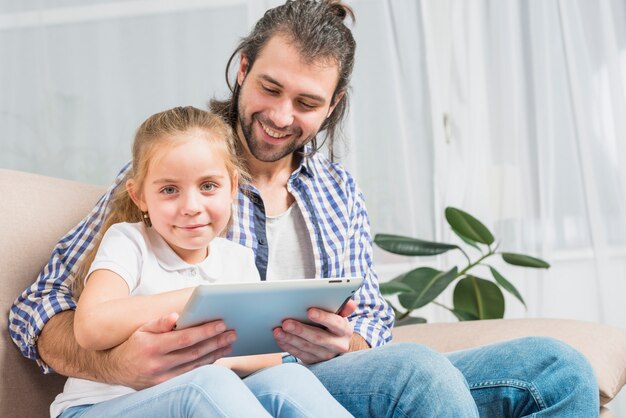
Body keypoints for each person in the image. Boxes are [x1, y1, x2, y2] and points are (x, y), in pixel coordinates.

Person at [10, 1, 599, 417]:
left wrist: (346, 345)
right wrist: (119, 367)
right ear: (243, 69)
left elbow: (373, 323)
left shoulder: (340, 192)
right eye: (269, 88)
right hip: (246, 389)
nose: (282, 115)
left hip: (326, 378)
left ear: (333, 104)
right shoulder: (179, 179)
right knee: (415, 373)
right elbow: (37, 310)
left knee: (559, 368)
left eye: (307, 101)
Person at [50, 106, 353, 418]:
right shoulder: (129, 242)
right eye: (169, 190)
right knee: (205, 383)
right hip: (97, 409)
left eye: (208, 186)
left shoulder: (237, 259)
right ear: (139, 196)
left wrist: (220, 358)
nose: (191, 207)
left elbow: (268, 356)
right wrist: (193, 298)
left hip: (198, 395)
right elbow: (90, 327)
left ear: (232, 187)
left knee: (288, 377)